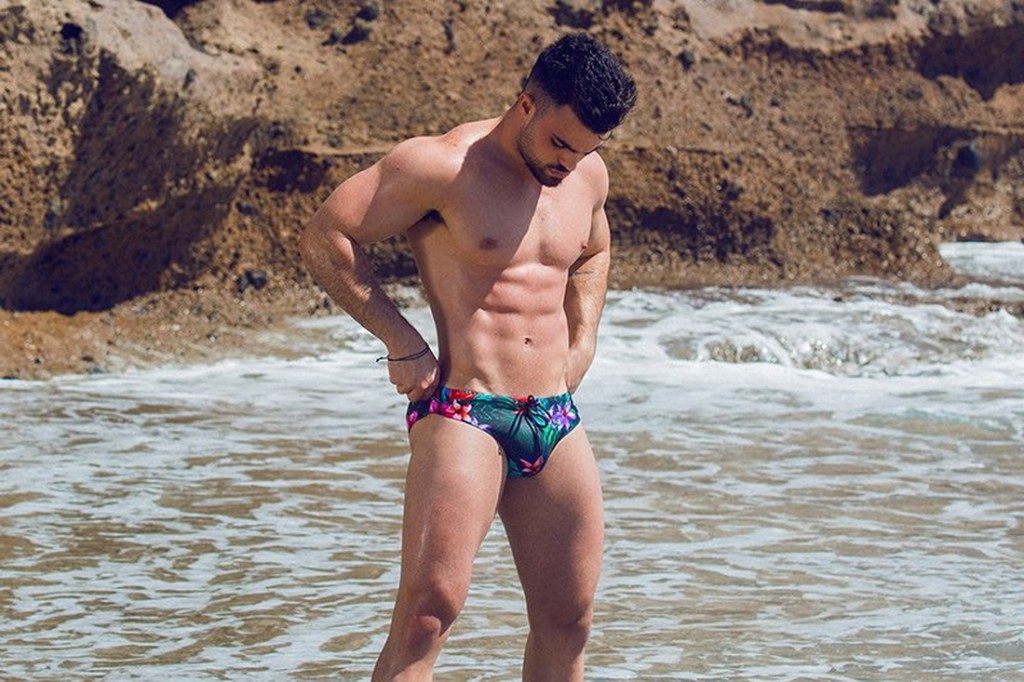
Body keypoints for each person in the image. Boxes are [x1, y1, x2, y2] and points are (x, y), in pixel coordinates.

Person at [299, 32, 636, 680]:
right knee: (427, 616)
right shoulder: (441, 167)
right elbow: (327, 236)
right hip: (464, 410)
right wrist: (401, 342)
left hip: (555, 416)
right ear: (527, 103)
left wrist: (584, 336)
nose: (569, 163)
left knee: (570, 619)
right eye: (560, 143)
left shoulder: (587, 174)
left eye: (586, 149)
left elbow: (594, 250)